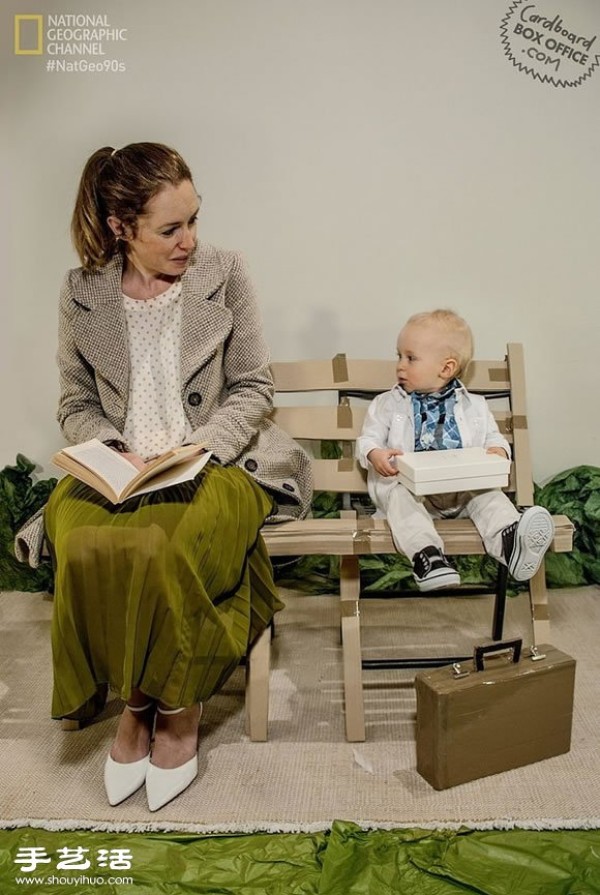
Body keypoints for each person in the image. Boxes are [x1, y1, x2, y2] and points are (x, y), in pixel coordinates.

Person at [21, 142, 312, 812]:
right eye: (170, 228)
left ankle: (171, 706)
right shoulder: (82, 292)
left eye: (193, 220)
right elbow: (74, 403)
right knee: (84, 539)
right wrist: (114, 448)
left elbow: (251, 386)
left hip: (221, 463)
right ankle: (135, 696)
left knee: (166, 543)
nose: (189, 240)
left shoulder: (226, 272)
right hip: (119, 469)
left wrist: (199, 447)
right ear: (123, 228)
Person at [356, 309, 554, 592]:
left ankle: (510, 543)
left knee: (490, 497)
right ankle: (428, 557)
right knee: (399, 497)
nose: (400, 365)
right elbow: (367, 439)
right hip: (414, 493)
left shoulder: (474, 405)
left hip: (462, 492)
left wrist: (498, 451)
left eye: (410, 358)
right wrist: (375, 454)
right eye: (399, 356)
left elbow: (493, 438)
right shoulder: (387, 404)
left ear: (446, 368)